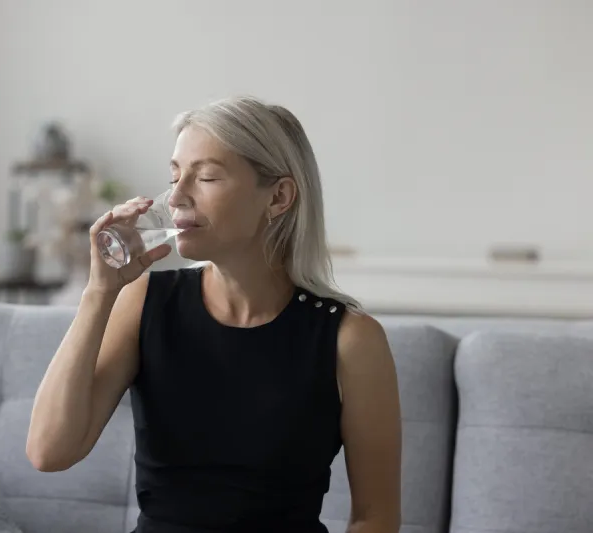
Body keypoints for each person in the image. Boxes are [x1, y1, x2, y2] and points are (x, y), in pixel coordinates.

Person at [26, 96, 402, 533]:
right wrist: (98, 293)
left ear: (278, 196)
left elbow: (376, 519)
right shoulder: (146, 302)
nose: (177, 196)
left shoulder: (351, 340)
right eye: (175, 175)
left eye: (206, 176)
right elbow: (48, 452)